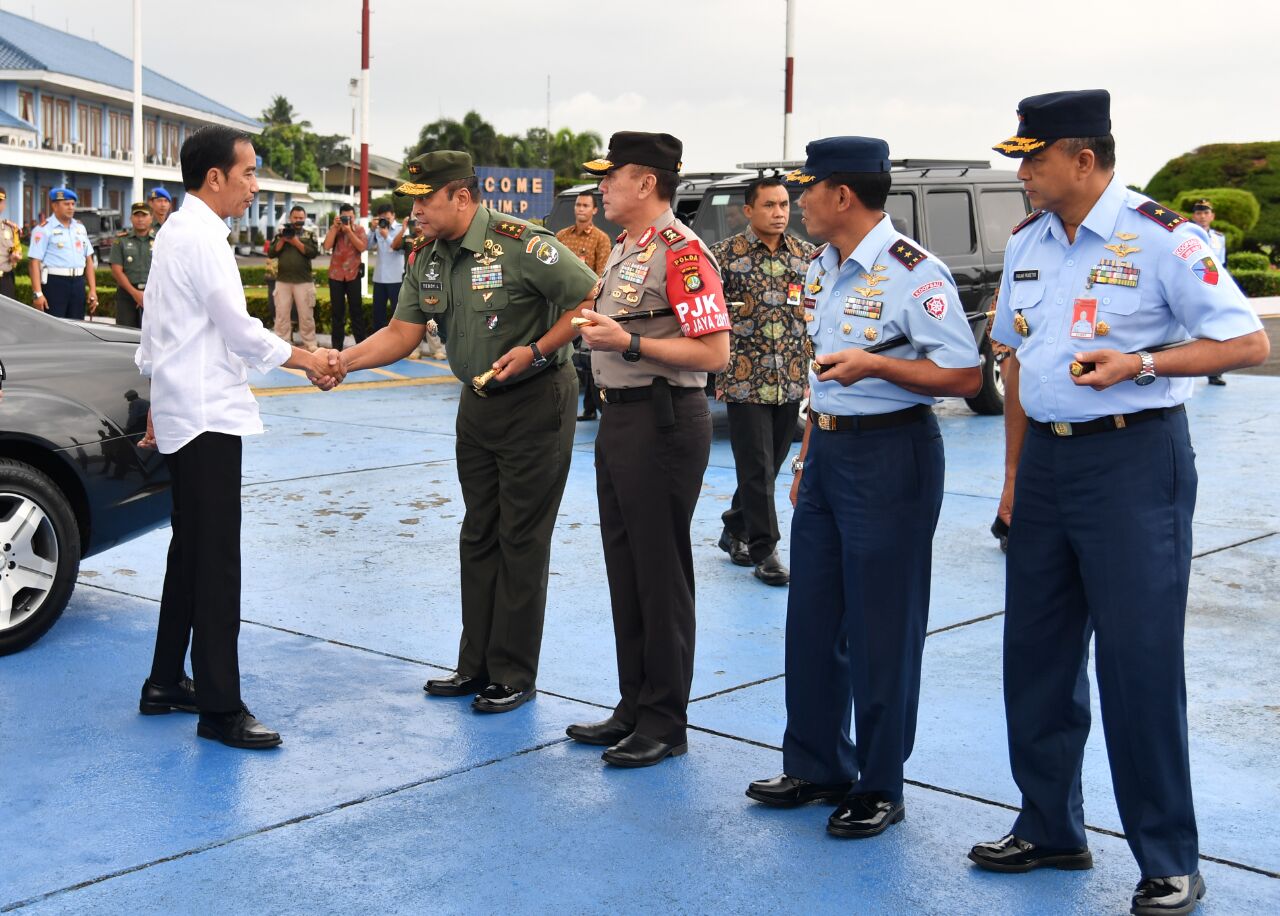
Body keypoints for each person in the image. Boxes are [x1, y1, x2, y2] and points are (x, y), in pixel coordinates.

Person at [971, 90, 1268, 916]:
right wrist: (1012, 478)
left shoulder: (1165, 237)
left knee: (1138, 667)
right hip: (1047, 475)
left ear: (1085, 158)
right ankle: (1050, 826)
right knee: (1036, 657)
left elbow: (1247, 341)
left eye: (1032, 157)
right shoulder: (1030, 242)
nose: (1022, 173)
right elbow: (1018, 368)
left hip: (1135, 463)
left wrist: (1143, 364)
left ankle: (1170, 857)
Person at [744, 137, 981, 835]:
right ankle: (817, 763)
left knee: (882, 629)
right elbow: (825, 374)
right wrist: (808, 451)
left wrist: (879, 370)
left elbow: (963, 375)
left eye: (807, 188)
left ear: (841, 195)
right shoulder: (822, 267)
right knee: (812, 618)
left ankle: (879, 783)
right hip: (831, 458)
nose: (800, 202)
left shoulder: (915, 273)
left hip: (892, 457)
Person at [340, 150, 597, 714]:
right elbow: (403, 331)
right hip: (477, 403)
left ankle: (513, 672)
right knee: (479, 531)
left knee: (521, 537)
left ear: (460, 196)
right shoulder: (429, 256)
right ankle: (474, 663)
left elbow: (587, 296)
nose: (416, 215)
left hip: (536, 399)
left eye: (425, 201)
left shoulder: (521, 242)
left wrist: (538, 349)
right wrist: (343, 362)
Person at [134, 124, 345, 750]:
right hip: (206, 416)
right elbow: (240, 330)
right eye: (249, 173)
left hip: (185, 410)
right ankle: (220, 707)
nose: (255, 186)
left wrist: (155, 398)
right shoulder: (200, 236)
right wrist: (309, 359)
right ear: (215, 177)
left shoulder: (178, 231)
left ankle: (167, 680)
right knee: (217, 558)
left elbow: (156, 331)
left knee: (190, 550)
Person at [565, 132, 731, 768]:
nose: (600, 188)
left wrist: (630, 344)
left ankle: (665, 721)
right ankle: (633, 704)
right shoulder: (628, 250)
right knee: (625, 566)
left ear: (646, 183)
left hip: (663, 422)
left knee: (659, 574)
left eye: (611, 176)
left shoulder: (683, 254)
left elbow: (714, 353)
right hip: (620, 422)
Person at [709, 176, 815, 586]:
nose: (779, 213)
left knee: (767, 469)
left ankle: (734, 526)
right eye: (769, 205)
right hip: (743, 379)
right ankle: (765, 549)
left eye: (785, 205)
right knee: (755, 466)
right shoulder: (723, 257)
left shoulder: (806, 257)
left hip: (788, 378)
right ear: (749, 210)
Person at [557, 190, 612, 421]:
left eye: (585, 205)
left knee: (590, 359)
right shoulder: (561, 236)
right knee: (561, 357)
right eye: (578, 205)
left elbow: (601, 276)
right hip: (560, 306)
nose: (581, 209)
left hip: (587, 306)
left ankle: (595, 407)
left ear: (594, 210)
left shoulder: (601, 239)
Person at [27, 188, 98, 319]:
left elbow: (88, 259)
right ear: (54, 206)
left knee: (77, 326)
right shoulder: (43, 229)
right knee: (53, 327)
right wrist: (37, 293)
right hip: (55, 283)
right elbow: (34, 262)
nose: (71, 207)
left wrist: (92, 289)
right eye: (66, 204)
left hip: (78, 283)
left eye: (72, 204)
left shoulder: (80, 228)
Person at [269, 205, 320, 350]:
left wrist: (295, 241)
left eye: (301, 218)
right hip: (283, 280)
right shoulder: (281, 233)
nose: (298, 220)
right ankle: (282, 343)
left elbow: (312, 253)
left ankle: (310, 343)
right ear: (290, 218)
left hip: (303, 281)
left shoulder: (309, 234)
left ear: (305, 219)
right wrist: (283, 240)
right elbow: (272, 253)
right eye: (295, 218)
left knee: (306, 315)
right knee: (281, 314)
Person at [1192, 199, 1230, 385]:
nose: (1202, 216)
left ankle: (1215, 372)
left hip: (1212, 287)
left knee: (1217, 328)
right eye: (1199, 213)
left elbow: (1222, 265)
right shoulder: (1186, 235)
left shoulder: (1219, 238)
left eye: (1206, 213)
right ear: (1194, 216)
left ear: (1212, 216)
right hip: (1190, 286)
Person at [324, 202, 369, 350]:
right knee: (337, 313)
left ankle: (361, 346)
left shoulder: (359, 229)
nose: (347, 220)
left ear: (354, 217)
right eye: (344, 217)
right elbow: (326, 246)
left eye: (350, 217)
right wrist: (334, 228)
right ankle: (336, 347)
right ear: (339, 217)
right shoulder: (335, 229)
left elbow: (362, 247)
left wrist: (349, 231)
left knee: (356, 311)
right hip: (336, 275)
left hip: (353, 274)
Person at [108, 201, 155, 329]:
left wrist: (145, 294)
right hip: (127, 295)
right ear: (131, 218)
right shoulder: (121, 241)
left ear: (151, 218)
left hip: (152, 294)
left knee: (153, 335)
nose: (140, 219)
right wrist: (135, 293)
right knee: (126, 334)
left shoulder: (159, 240)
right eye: (137, 215)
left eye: (144, 215)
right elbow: (117, 271)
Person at [369, 202, 403, 331]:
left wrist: (387, 237)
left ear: (394, 216)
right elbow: (366, 246)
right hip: (379, 278)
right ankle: (378, 345)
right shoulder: (377, 229)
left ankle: (399, 345)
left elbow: (400, 250)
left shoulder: (401, 229)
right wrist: (372, 230)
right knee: (378, 315)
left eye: (388, 218)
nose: (385, 221)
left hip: (396, 278)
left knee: (398, 314)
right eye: (382, 218)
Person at [0, 188, 21, 300]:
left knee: (5, 315)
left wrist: (15, 257)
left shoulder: (10, 228)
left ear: (4, 204)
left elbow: (17, 250)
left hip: (5, 280)